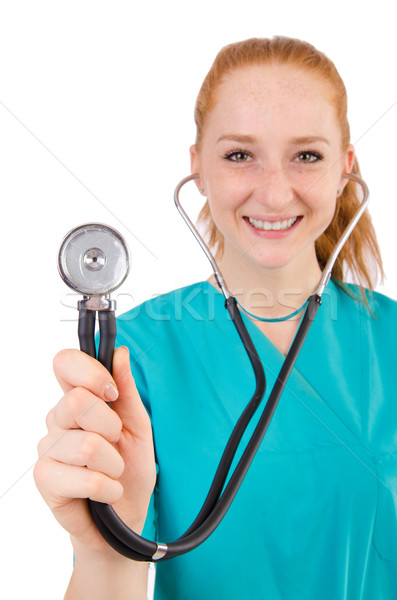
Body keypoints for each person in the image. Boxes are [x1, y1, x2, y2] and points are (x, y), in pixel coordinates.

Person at [34, 36, 397, 599]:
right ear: (197, 168)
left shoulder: (390, 340)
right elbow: (117, 575)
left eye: (306, 155)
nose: (275, 193)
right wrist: (105, 548)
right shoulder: (132, 357)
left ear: (345, 170)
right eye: (238, 155)